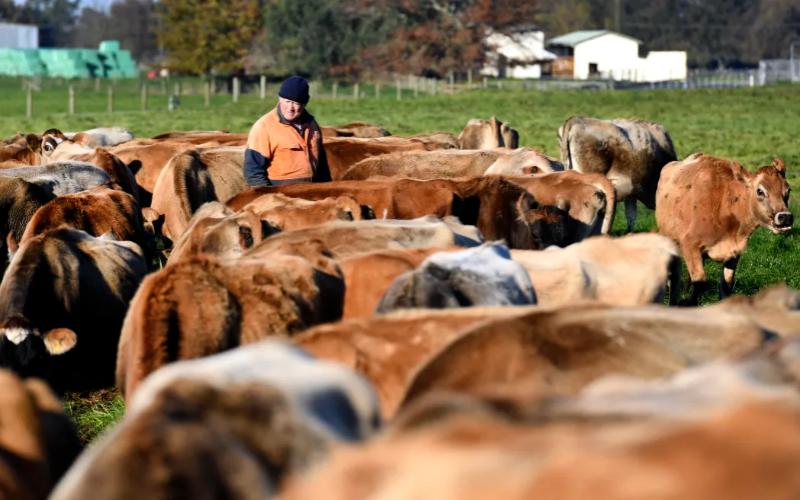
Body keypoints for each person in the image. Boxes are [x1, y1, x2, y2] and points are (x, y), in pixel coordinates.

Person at [243, 75, 331, 186]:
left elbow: (322, 165)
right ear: (280, 99)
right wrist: (269, 197)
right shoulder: (264, 127)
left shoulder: (312, 125)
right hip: (281, 195)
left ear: (304, 104)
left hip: (311, 192)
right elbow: (253, 171)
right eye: (287, 101)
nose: (290, 108)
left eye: (296, 103)